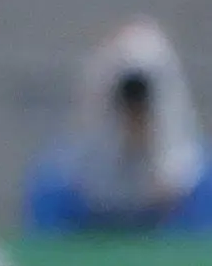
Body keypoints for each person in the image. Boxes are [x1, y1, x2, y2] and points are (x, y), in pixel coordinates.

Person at [26, 20, 212, 234]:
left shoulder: (202, 188)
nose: (134, 113)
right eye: (126, 98)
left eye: (142, 100)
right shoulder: (57, 188)